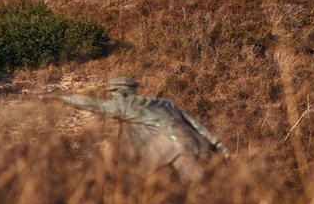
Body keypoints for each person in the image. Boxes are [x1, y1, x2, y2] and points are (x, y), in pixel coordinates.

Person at [56, 77, 227, 184]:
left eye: (112, 94)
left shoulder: (125, 104)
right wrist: (218, 145)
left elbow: (91, 104)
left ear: (121, 92)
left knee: (197, 192)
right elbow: (196, 125)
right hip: (196, 144)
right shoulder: (165, 103)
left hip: (174, 149)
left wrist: (60, 97)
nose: (112, 98)